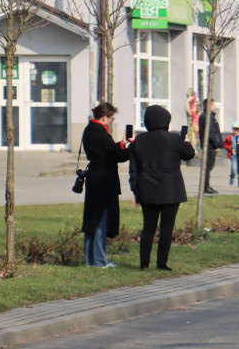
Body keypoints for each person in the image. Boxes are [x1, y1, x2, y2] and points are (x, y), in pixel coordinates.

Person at [128, 105, 196, 271]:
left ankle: (144, 264)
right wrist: (186, 142)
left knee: (148, 228)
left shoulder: (139, 141)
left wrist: (136, 190)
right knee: (167, 229)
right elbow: (189, 155)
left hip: (146, 191)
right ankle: (161, 264)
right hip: (171, 191)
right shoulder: (174, 140)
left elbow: (133, 170)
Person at [81, 102, 131, 268]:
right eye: (111, 118)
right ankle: (100, 261)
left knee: (92, 221)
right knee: (100, 222)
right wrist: (127, 146)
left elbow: (108, 151)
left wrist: (121, 144)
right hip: (104, 180)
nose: (111, 121)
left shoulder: (90, 129)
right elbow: (115, 154)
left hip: (95, 178)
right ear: (104, 117)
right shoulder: (99, 132)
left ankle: (90, 260)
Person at [198, 98, 223, 194]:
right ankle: (205, 187)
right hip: (209, 146)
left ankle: (206, 186)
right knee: (207, 167)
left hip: (209, 145)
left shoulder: (208, 117)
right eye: (213, 104)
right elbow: (211, 133)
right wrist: (216, 144)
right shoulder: (207, 118)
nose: (214, 106)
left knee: (208, 167)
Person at [185, 90, 200, 156]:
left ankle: (196, 151)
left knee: (196, 139)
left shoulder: (196, 106)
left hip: (196, 125)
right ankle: (193, 151)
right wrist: (187, 101)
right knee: (193, 140)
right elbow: (189, 111)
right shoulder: (191, 108)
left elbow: (198, 112)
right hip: (192, 126)